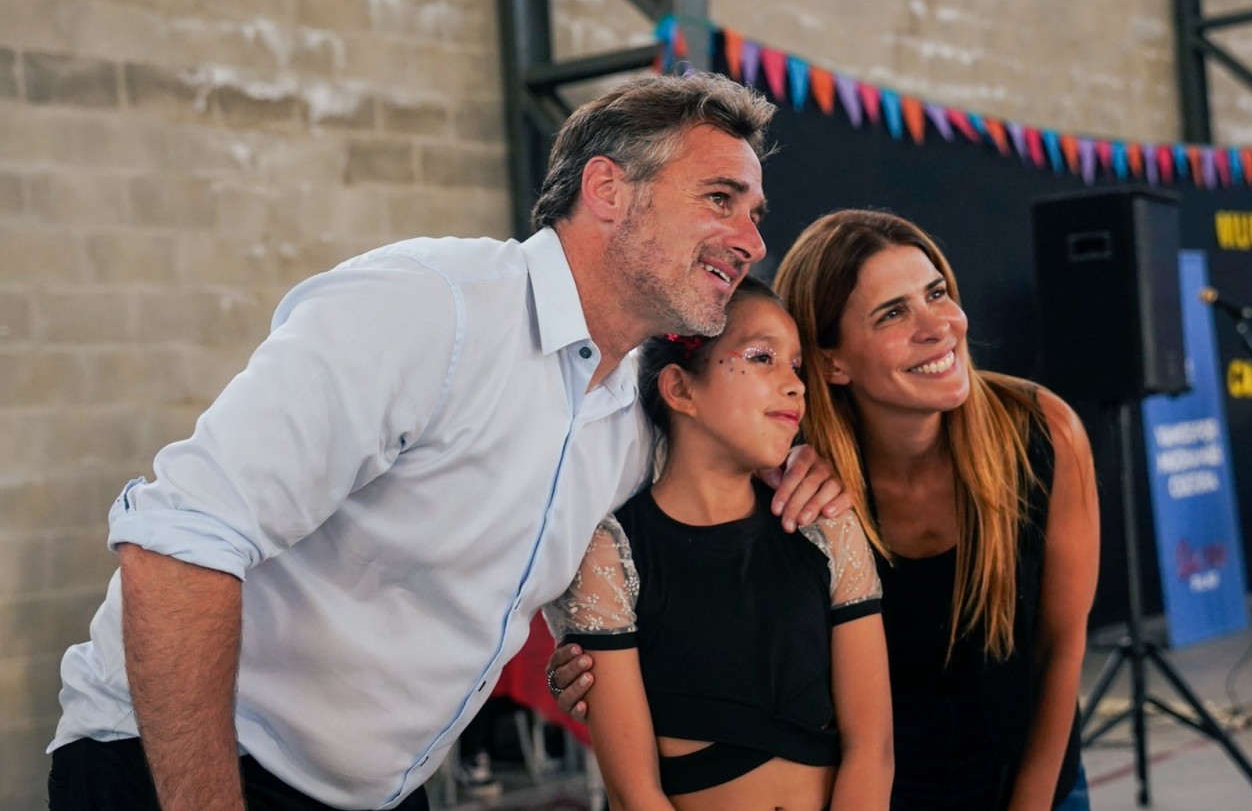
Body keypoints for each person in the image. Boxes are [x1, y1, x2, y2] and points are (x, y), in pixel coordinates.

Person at [46, 73, 854, 811]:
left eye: (755, 214)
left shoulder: (641, 410)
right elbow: (177, 544)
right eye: (720, 198)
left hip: (385, 791)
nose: (750, 240)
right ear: (608, 189)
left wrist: (798, 464)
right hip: (178, 768)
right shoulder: (432, 309)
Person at [552, 209, 1101, 811]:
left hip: (1028, 776)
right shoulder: (793, 469)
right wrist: (595, 659)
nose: (937, 326)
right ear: (833, 362)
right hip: (883, 789)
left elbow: (1061, 647)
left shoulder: (1042, 431)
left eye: (937, 293)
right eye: (893, 313)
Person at [545, 277, 893, 810]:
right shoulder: (612, 552)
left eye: (796, 366)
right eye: (762, 357)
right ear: (681, 389)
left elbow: (873, 747)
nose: (796, 385)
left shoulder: (825, 525)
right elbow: (635, 791)